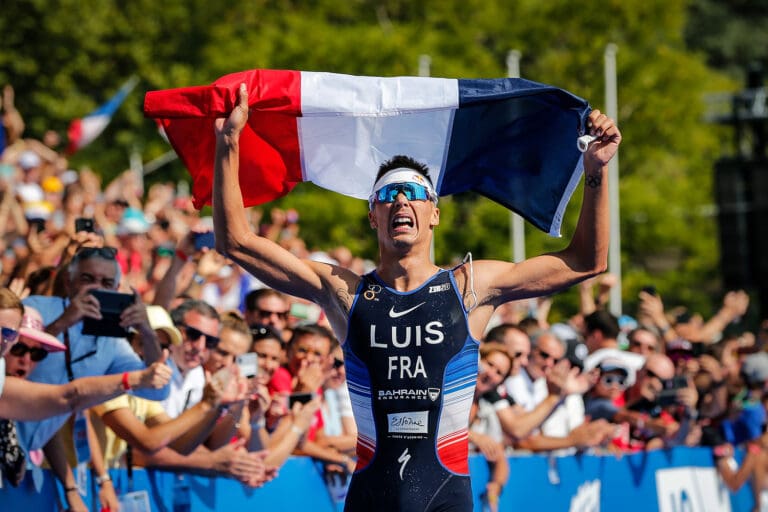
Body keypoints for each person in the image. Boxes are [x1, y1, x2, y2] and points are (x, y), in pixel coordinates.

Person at [212, 84, 620, 511]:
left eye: (415, 193)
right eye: (388, 195)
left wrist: (596, 171)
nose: (401, 200)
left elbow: (585, 262)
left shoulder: (470, 288)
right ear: (374, 215)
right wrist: (229, 145)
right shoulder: (346, 292)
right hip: (372, 495)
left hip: (445, 495)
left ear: (434, 215)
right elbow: (236, 242)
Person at [17, 245, 170, 452]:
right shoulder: (36, 307)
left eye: (106, 283)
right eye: (87, 279)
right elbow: (11, 358)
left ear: (116, 290)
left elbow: (158, 391)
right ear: (69, 283)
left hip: (25, 452)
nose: (97, 288)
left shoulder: (114, 342)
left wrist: (147, 332)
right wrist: (62, 322)